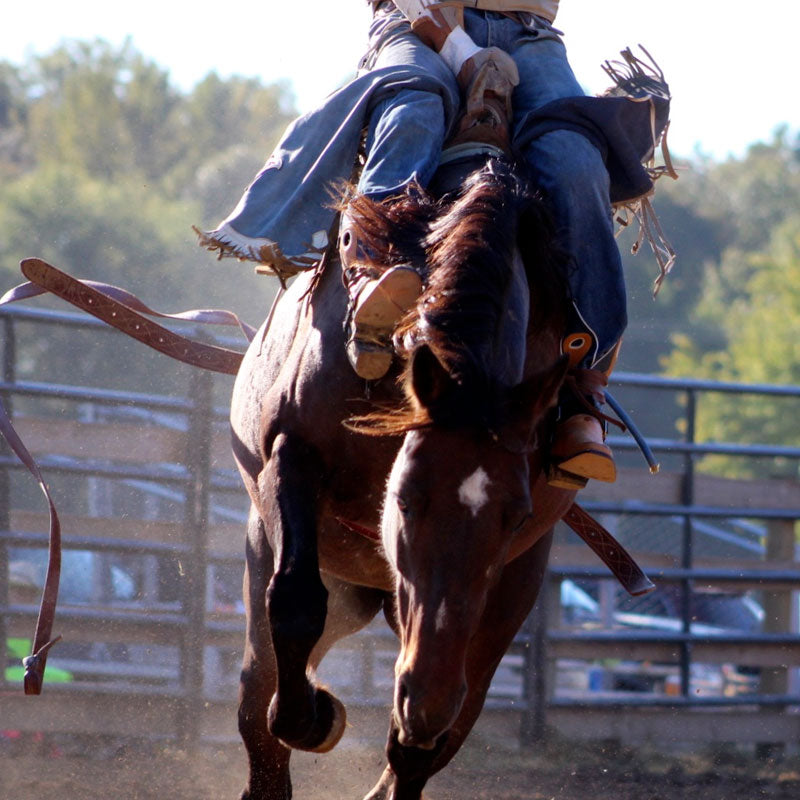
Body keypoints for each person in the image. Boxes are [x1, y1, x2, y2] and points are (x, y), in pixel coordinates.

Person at [197, 0, 672, 488]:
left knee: (575, 160)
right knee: (415, 112)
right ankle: (369, 281)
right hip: (413, 19)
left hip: (529, 35)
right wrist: (456, 46)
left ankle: (581, 387)